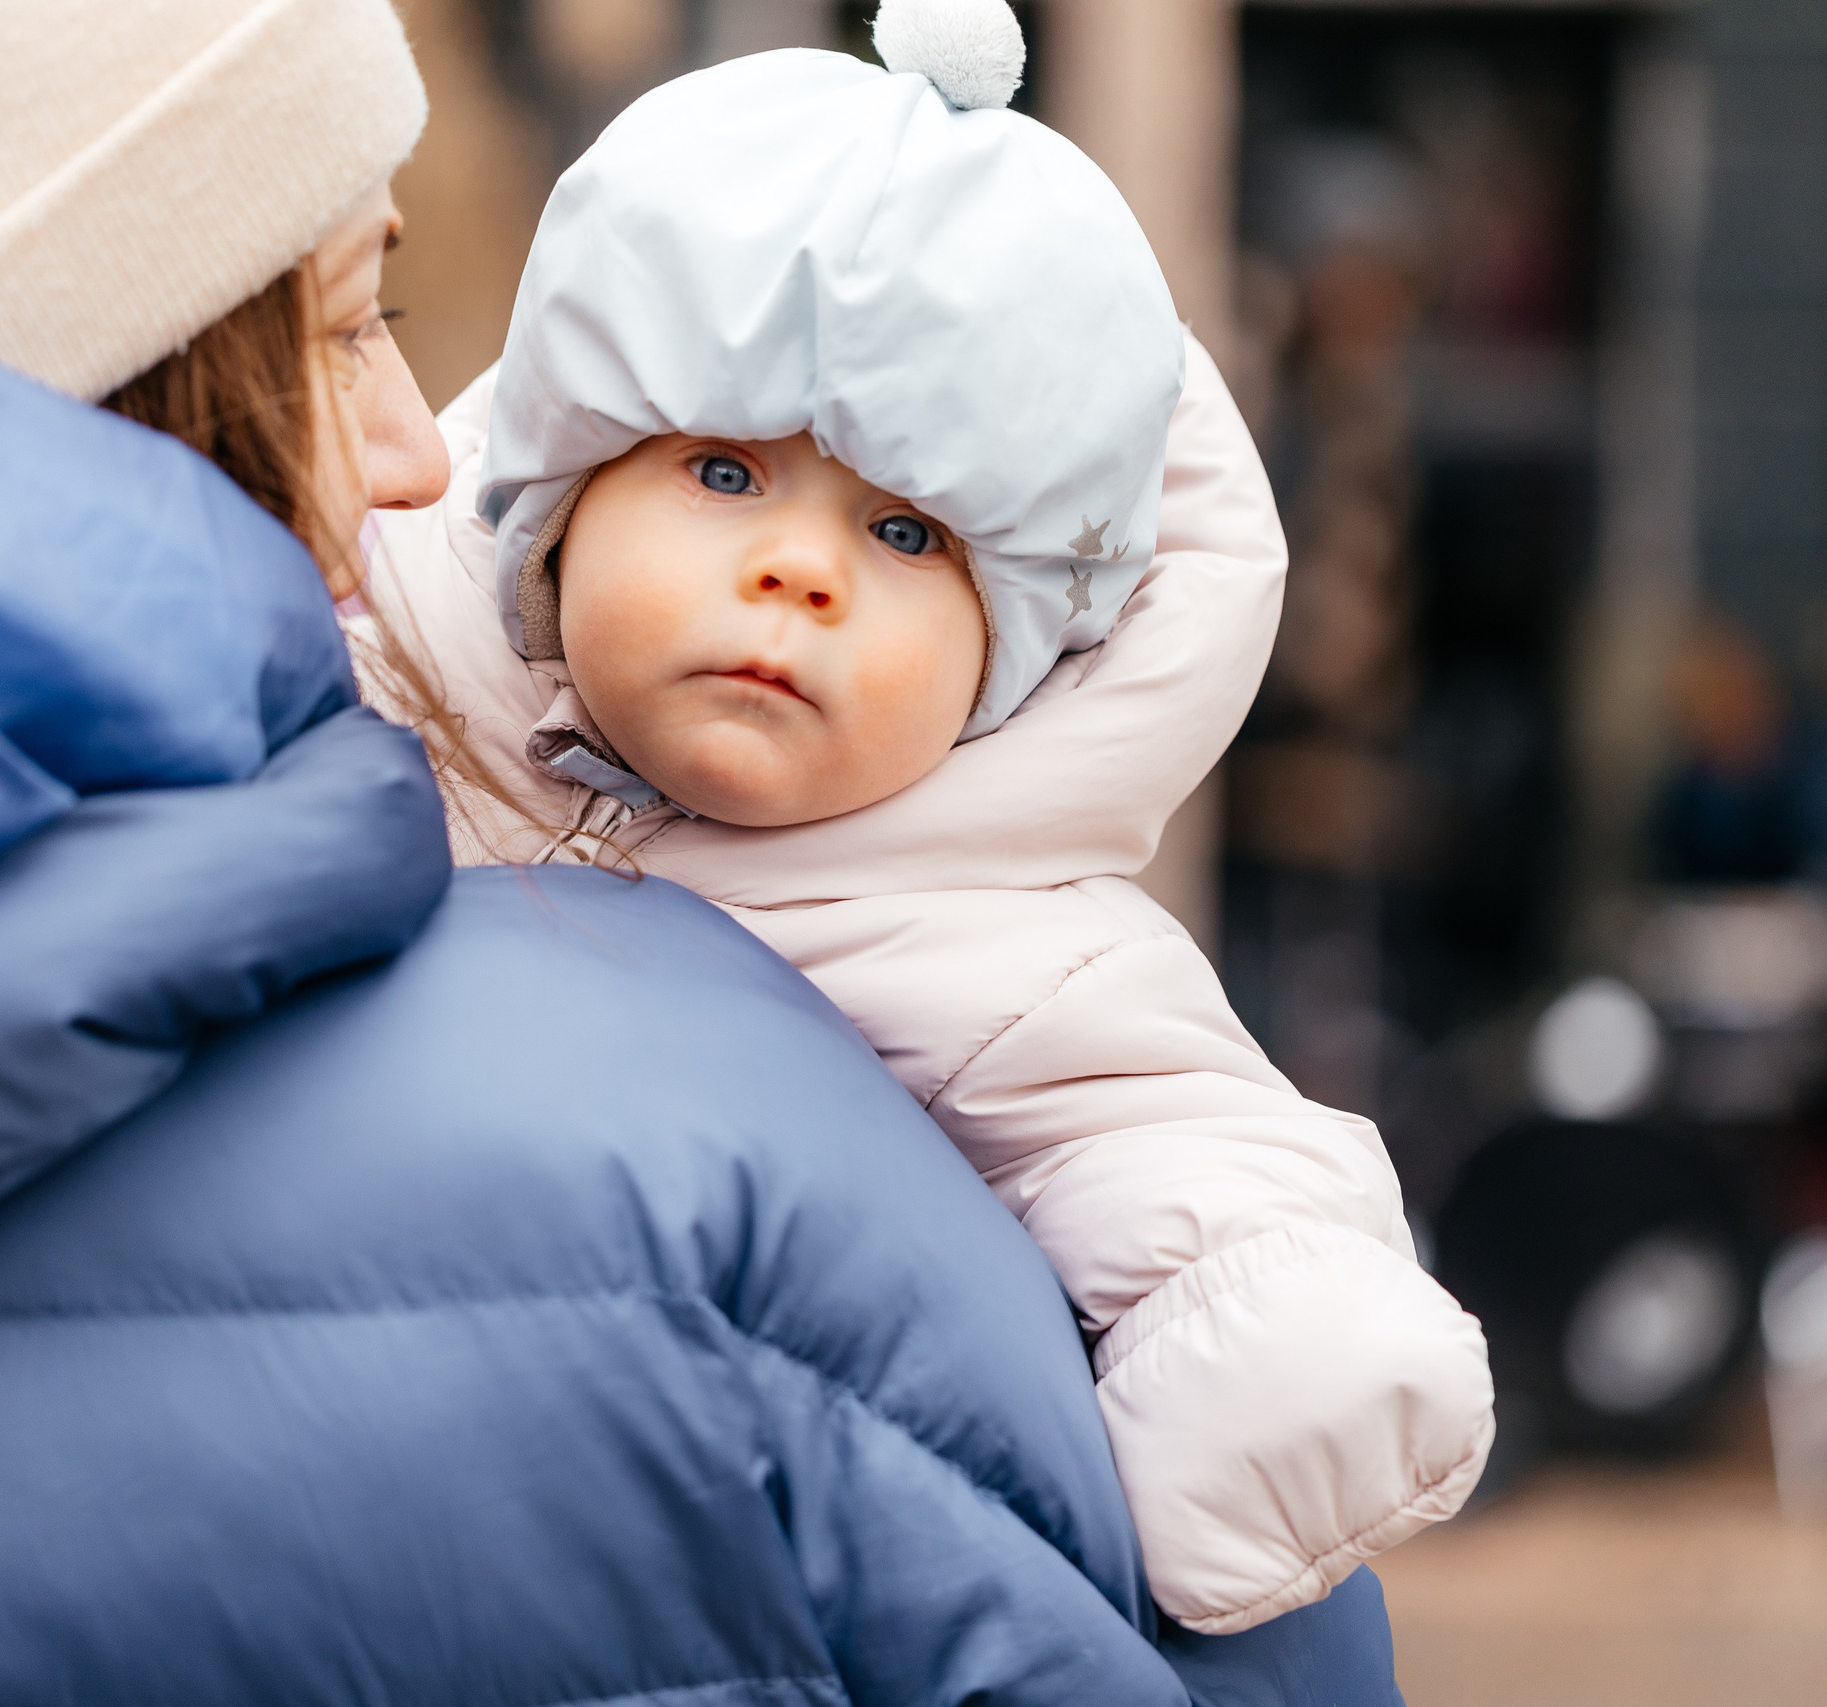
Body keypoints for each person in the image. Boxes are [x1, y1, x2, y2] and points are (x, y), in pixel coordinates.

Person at [0, 1, 1407, 1701]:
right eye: (350, 324)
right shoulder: (724, 1206)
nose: (429, 460)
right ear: (102, 371)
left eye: (910, 532)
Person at [359, 0, 1493, 1637]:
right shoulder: (379, 672)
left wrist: (1273, 1344)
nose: (799, 569)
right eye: (725, 477)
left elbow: (1178, 1151)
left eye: (903, 533)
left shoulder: (1003, 939)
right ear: (558, 494)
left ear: (1009, 654)